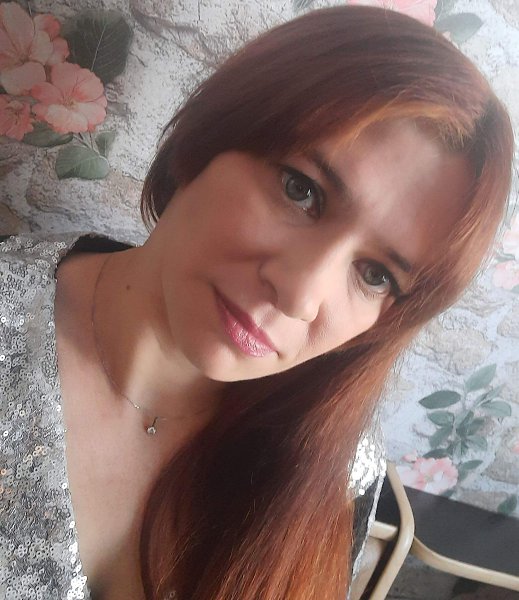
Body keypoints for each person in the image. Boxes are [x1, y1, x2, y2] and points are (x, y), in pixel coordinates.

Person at [0, 5, 513, 600]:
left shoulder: (337, 465)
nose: (299, 295)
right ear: (210, 139)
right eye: (302, 190)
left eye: (375, 275)